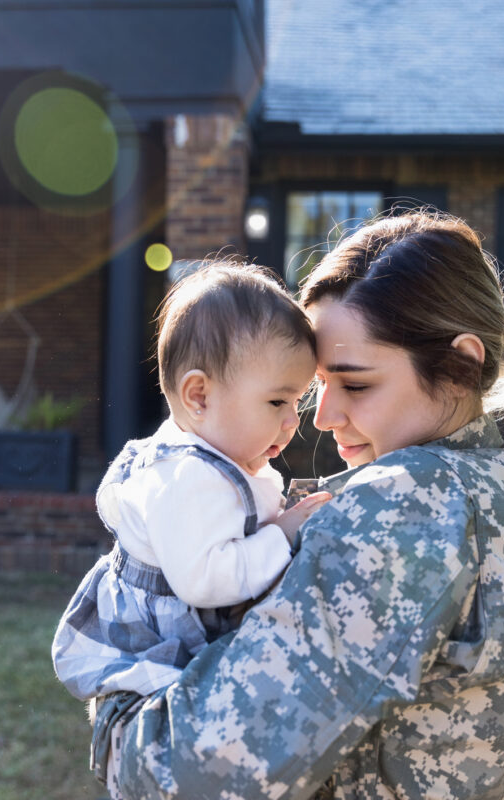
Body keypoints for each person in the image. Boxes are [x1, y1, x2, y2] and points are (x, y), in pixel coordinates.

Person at [110, 210, 504, 800]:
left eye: (357, 384)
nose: (322, 417)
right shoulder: (486, 478)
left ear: (461, 367)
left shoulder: (407, 506)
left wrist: (116, 714)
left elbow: (192, 777)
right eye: (318, 385)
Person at [50, 262, 330, 795]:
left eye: (297, 402)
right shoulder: (188, 477)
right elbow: (206, 580)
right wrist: (285, 531)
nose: (294, 420)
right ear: (198, 397)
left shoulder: (214, 453)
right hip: (157, 645)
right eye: (277, 401)